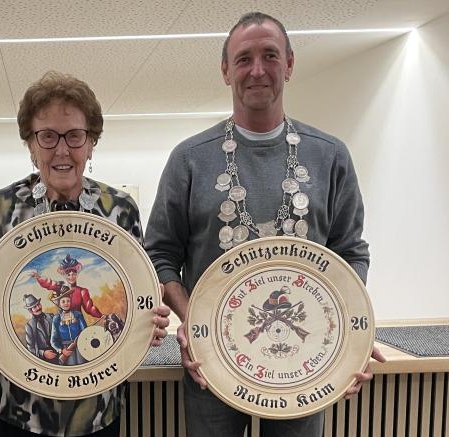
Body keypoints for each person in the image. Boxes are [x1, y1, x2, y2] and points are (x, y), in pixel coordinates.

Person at [144, 12, 386, 437]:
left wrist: (349, 335)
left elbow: (350, 253)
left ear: (289, 64)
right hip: (212, 361)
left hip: (304, 359)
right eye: (243, 59)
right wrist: (194, 325)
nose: (257, 70)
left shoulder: (330, 156)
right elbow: (161, 254)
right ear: (225, 71)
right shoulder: (190, 159)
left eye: (270, 56)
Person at [0, 71, 171, 437]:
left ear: (91, 142)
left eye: (75, 136)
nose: (62, 150)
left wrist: (146, 320)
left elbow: (138, 295)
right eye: (47, 136)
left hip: (96, 408)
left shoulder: (120, 210)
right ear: (31, 145)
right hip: (13, 407)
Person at [29, 254, 103, 318]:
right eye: (68, 275)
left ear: (77, 274)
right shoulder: (59, 287)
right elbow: (49, 283)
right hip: (62, 325)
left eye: (73, 274)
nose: (71, 277)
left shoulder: (82, 291)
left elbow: (90, 308)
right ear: (64, 275)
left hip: (79, 323)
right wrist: (38, 277)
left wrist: (101, 316)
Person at [49, 287, 88, 366]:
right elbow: (53, 340)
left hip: (81, 346)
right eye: (63, 301)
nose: (66, 303)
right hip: (66, 350)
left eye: (68, 301)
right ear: (59, 303)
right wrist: (62, 350)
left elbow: (85, 332)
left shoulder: (78, 315)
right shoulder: (56, 319)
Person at [22, 294, 60, 364]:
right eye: (34, 307)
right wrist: (43, 353)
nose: (38, 308)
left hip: (59, 353)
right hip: (44, 361)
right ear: (30, 310)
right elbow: (31, 348)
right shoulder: (29, 326)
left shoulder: (51, 317)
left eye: (38, 304)